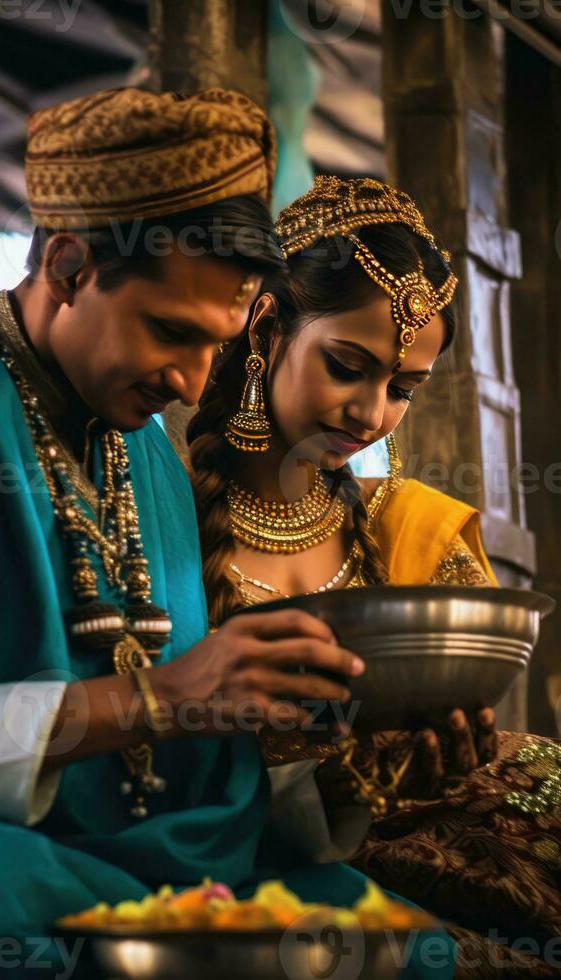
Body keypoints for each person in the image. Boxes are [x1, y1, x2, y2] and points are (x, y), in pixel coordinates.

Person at [0, 93, 454, 978]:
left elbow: (202, 786)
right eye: (170, 333)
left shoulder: (146, 453)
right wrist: (154, 702)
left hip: (149, 865)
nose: (191, 380)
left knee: (387, 933)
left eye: (217, 344)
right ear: (72, 266)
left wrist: (357, 748)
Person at [187, 175, 561, 978]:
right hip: (222, 875)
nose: (371, 415)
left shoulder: (414, 533)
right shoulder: (154, 514)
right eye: (347, 366)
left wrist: (427, 771)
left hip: (411, 873)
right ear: (266, 325)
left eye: (402, 390)